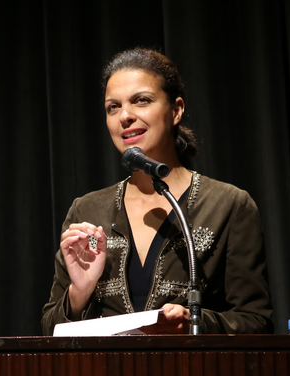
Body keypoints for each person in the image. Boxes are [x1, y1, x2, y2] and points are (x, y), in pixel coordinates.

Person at [41, 48, 272, 335]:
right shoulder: (87, 209)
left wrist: (194, 323)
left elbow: (255, 321)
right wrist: (79, 292)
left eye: (141, 101)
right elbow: (50, 328)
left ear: (176, 110)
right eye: (113, 107)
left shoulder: (229, 205)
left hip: (192, 375)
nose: (125, 116)